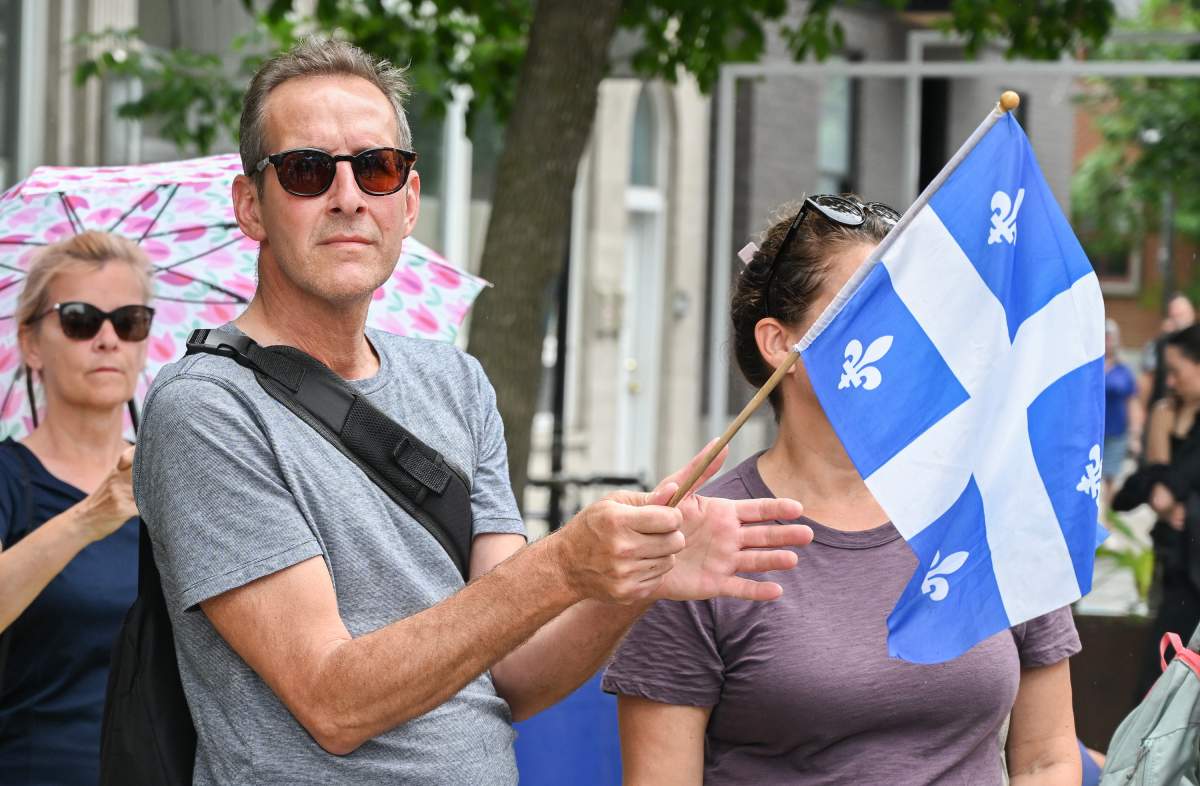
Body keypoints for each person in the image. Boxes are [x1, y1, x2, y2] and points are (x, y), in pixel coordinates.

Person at [131, 38, 813, 785]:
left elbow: (513, 673)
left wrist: (630, 582)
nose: (349, 197)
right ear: (250, 206)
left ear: (410, 201)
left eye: (377, 167)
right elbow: (333, 702)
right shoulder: (206, 406)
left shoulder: (454, 379)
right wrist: (563, 562)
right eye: (306, 171)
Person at [603, 195, 1083, 785]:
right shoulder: (698, 545)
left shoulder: (995, 506)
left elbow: (1047, 759)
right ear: (782, 345)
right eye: (875, 303)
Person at [0, 231, 146, 785]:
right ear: (32, 344)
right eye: (82, 319)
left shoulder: (175, 482)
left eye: (129, 320)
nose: (108, 339)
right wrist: (87, 519)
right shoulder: (11, 481)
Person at [1121, 324, 1200, 697]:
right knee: (1160, 681)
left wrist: (1175, 499)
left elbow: (1176, 486)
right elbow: (1132, 494)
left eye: (1177, 371)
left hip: (1193, 570)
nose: (1170, 382)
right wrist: (1159, 437)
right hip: (1177, 571)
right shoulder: (1168, 417)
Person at [1138, 292, 1195, 433]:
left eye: (1183, 314)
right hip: (1163, 413)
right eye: (1176, 315)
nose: (1180, 320)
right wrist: (1141, 415)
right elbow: (1146, 381)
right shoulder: (1158, 345)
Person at [1103, 319, 1138, 506]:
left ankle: (1107, 515)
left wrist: (1135, 433)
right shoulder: (1090, 366)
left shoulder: (1123, 370)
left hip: (1117, 431)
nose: (1108, 341)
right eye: (1105, 336)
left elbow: (1132, 401)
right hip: (1094, 432)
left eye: (1111, 337)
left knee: (1111, 475)